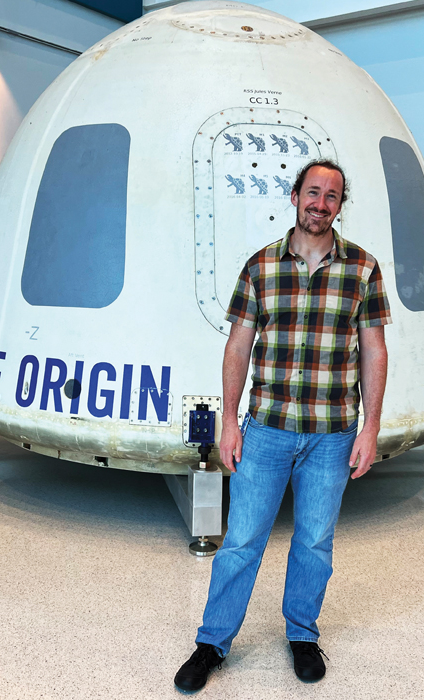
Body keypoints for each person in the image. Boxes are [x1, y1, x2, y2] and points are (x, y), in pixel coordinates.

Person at [174, 160, 392, 692]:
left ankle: (301, 633)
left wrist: (371, 428)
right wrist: (230, 422)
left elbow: (374, 350)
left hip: (333, 431)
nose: (320, 203)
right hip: (267, 428)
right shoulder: (260, 267)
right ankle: (212, 642)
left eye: (332, 196)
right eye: (312, 192)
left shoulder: (363, 269)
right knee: (242, 539)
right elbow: (238, 347)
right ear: (294, 196)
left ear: (341, 205)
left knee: (315, 541)